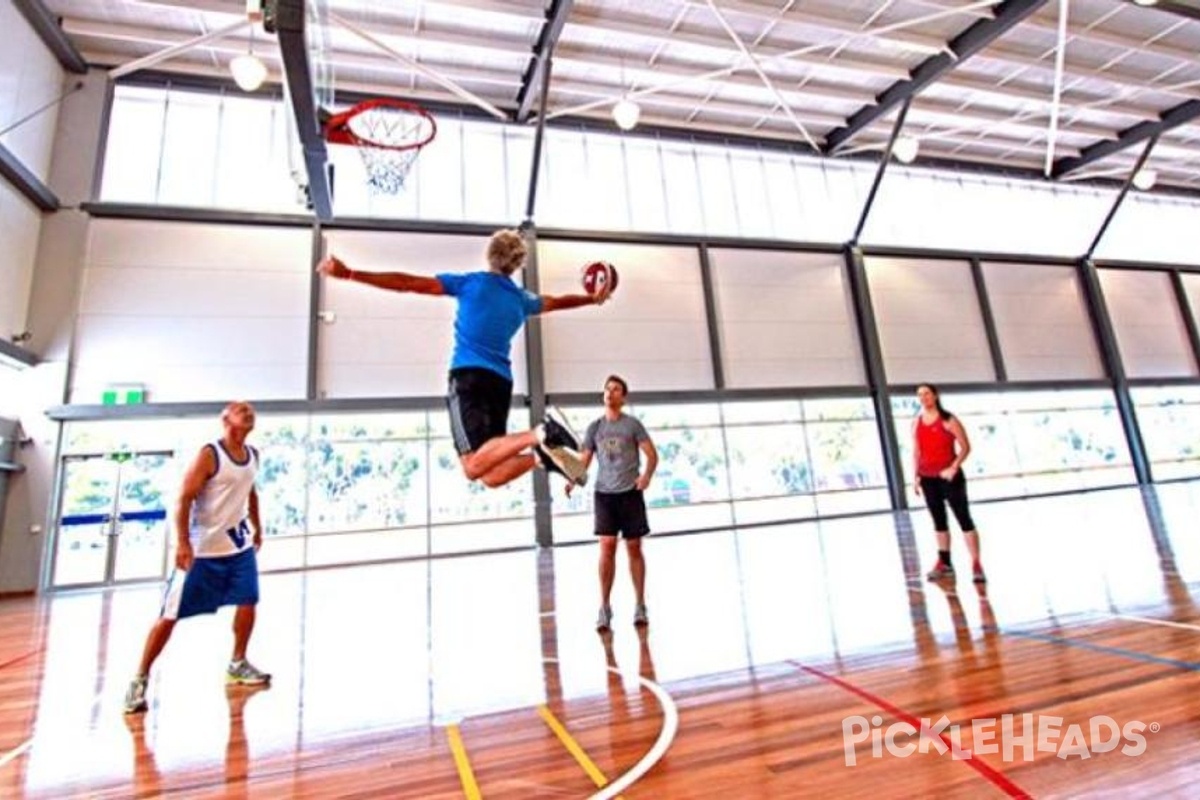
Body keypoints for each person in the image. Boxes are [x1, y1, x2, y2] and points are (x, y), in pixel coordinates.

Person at [317, 229, 609, 488]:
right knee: (490, 474)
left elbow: (407, 283)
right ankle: (541, 457)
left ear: (490, 256)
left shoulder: (469, 284)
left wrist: (351, 274)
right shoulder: (521, 299)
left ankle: (541, 433)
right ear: (517, 264)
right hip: (500, 383)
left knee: (471, 467)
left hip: (469, 378)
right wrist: (592, 299)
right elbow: (557, 302)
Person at [124, 401, 271, 715]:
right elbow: (184, 497)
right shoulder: (210, 454)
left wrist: (257, 527)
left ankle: (238, 662)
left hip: (239, 545)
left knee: (249, 601)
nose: (248, 413)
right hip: (203, 549)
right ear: (225, 419)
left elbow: (251, 493)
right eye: (241, 410)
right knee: (170, 615)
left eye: (251, 411)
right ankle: (140, 678)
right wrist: (182, 542)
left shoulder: (253, 455)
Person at [569, 375, 658, 630]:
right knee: (607, 547)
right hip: (604, 496)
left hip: (630, 493)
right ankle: (604, 607)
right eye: (607, 389)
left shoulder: (633, 425)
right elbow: (583, 461)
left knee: (634, 548)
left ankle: (640, 605)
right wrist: (573, 480)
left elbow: (652, 455)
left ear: (623, 396)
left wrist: (646, 476)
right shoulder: (594, 428)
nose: (609, 393)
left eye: (615, 389)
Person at [912, 383, 986, 584]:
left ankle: (976, 564)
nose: (923, 398)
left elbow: (965, 447)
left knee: (964, 519)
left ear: (935, 396)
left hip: (950, 477)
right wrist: (916, 476)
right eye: (920, 395)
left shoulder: (948, 420)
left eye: (927, 393)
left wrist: (953, 467)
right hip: (928, 479)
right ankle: (945, 563)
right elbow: (917, 452)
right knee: (939, 522)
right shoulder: (916, 423)